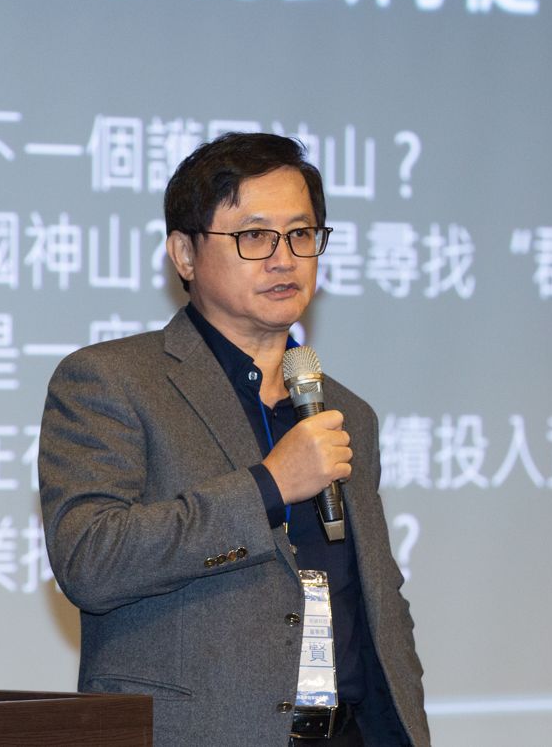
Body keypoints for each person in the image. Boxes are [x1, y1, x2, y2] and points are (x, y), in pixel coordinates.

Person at [39, 132, 429, 747]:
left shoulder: (346, 411)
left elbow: (377, 596)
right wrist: (268, 486)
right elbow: (91, 560)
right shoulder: (111, 381)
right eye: (254, 236)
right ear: (184, 254)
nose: (284, 259)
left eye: (301, 234)